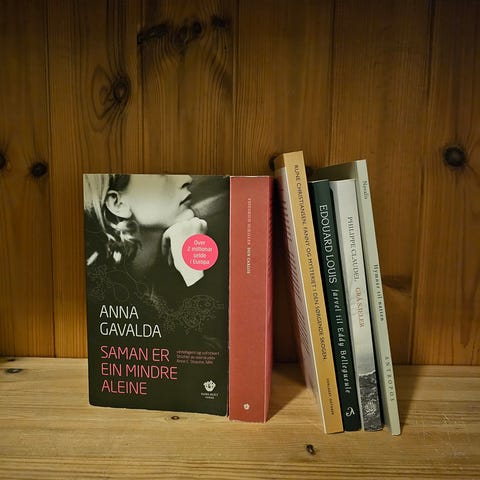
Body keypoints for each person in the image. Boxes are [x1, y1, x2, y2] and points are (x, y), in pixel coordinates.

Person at [83, 173, 230, 346]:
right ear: (118, 204)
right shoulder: (101, 299)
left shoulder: (161, 282)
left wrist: (191, 262)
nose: (186, 179)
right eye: (161, 175)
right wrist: (193, 273)